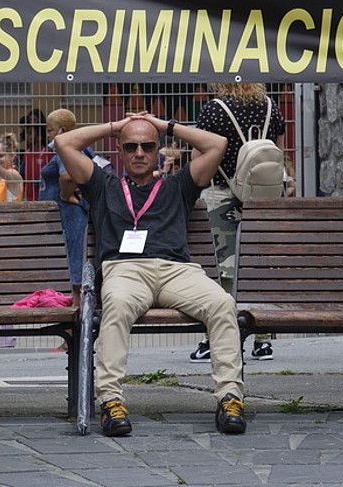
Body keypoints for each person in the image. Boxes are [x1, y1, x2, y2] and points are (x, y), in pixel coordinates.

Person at [56, 111, 248, 437]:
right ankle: (111, 402)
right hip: (125, 270)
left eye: (147, 145)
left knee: (221, 302)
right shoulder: (104, 184)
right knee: (115, 305)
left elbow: (218, 145)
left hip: (176, 271)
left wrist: (166, 126)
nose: (140, 153)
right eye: (130, 146)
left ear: (158, 148)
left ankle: (230, 397)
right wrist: (117, 126)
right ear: (120, 150)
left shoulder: (178, 185)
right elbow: (64, 142)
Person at [189, 82, 285, 363]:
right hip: (263, 198)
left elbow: (199, 157)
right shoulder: (270, 106)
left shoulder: (213, 111)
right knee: (258, 266)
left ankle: (215, 339)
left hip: (223, 196)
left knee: (222, 272)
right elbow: (278, 152)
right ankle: (263, 341)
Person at [41, 108, 96, 301]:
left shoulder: (64, 151)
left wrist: (65, 195)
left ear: (62, 131)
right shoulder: (80, 149)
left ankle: (78, 304)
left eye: (50, 130)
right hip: (70, 213)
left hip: (70, 212)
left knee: (75, 252)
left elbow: (67, 176)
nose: (47, 134)